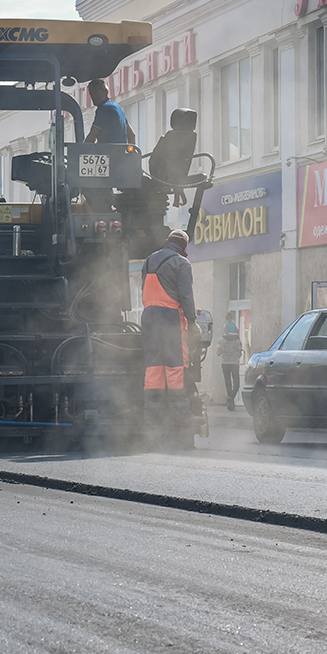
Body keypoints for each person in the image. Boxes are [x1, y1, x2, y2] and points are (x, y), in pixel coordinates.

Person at [141, 229, 197, 448]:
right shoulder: (181, 263)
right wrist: (192, 322)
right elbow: (186, 296)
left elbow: (144, 291)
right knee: (175, 368)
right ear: (183, 246)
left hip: (148, 318)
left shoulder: (148, 260)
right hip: (170, 319)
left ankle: (151, 423)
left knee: (153, 369)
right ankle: (182, 422)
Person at [148, 109, 198, 186]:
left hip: (161, 177)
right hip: (180, 177)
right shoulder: (192, 137)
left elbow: (153, 160)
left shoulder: (169, 136)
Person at [84, 78, 136, 145]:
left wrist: (81, 151)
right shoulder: (118, 107)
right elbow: (131, 135)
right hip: (121, 152)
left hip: (106, 152)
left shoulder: (103, 110)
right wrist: (131, 153)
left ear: (106, 92)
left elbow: (92, 136)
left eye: (97, 92)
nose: (94, 96)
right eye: (91, 94)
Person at [214, 312, 243, 412]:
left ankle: (230, 401)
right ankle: (231, 400)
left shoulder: (221, 340)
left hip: (225, 363)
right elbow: (239, 354)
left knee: (228, 383)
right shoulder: (238, 341)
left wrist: (224, 349)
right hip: (234, 363)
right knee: (237, 383)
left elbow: (218, 353)